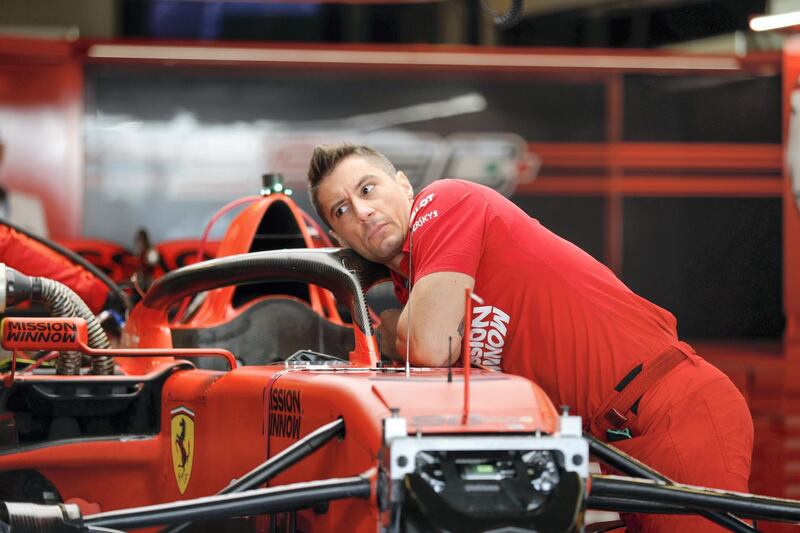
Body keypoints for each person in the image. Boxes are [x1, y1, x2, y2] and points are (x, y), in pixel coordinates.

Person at [307, 143, 753, 532]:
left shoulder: (444, 202)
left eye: (367, 189)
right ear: (336, 234)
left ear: (403, 185)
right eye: (341, 210)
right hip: (617, 438)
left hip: (670, 404)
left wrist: (392, 336)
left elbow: (430, 346)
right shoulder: (414, 287)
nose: (362, 211)